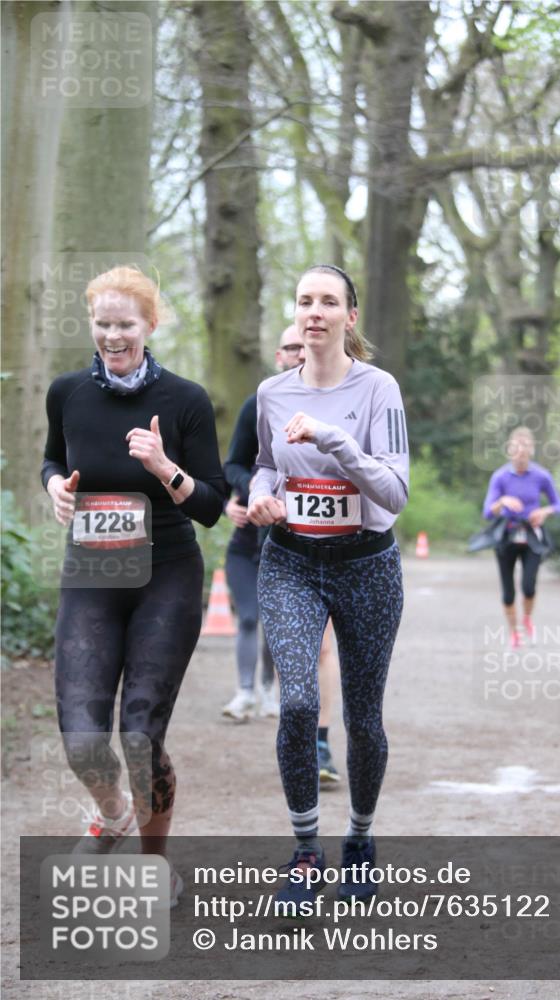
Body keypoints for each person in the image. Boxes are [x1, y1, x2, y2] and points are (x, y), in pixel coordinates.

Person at [42, 266, 225, 902]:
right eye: (103, 323)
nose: (113, 335)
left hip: (166, 573)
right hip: (92, 572)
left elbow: (210, 504)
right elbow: (53, 458)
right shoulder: (67, 392)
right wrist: (53, 490)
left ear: (150, 324)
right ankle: (113, 812)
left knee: (142, 733)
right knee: (81, 738)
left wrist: (165, 468)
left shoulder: (185, 400)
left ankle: (154, 862)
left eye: (126, 324)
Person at [247, 264, 409, 911]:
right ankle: (306, 853)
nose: (314, 311)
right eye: (304, 301)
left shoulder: (378, 389)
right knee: (296, 703)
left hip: (367, 564)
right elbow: (263, 466)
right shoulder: (270, 393)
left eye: (327, 302)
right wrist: (260, 498)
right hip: (289, 561)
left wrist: (334, 439)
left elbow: (394, 492)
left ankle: (361, 841)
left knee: (362, 719)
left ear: (350, 316)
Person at [222, 326, 343, 784]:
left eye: (302, 346)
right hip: (267, 543)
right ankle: (262, 703)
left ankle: (321, 746)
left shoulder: (345, 394)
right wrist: (245, 495)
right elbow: (239, 464)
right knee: (266, 627)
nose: (297, 354)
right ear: (279, 354)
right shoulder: (262, 402)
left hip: (328, 543)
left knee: (323, 647)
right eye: (290, 347)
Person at [482, 426, 560, 647]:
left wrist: (544, 512)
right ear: (509, 450)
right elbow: (487, 511)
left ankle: (527, 619)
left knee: (529, 587)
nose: (520, 452)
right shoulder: (499, 477)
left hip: (531, 536)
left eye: (525, 447)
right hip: (507, 535)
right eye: (516, 448)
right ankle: (514, 632)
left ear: (532, 450)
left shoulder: (541, 475)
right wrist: (503, 502)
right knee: (508, 592)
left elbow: (558, 504)